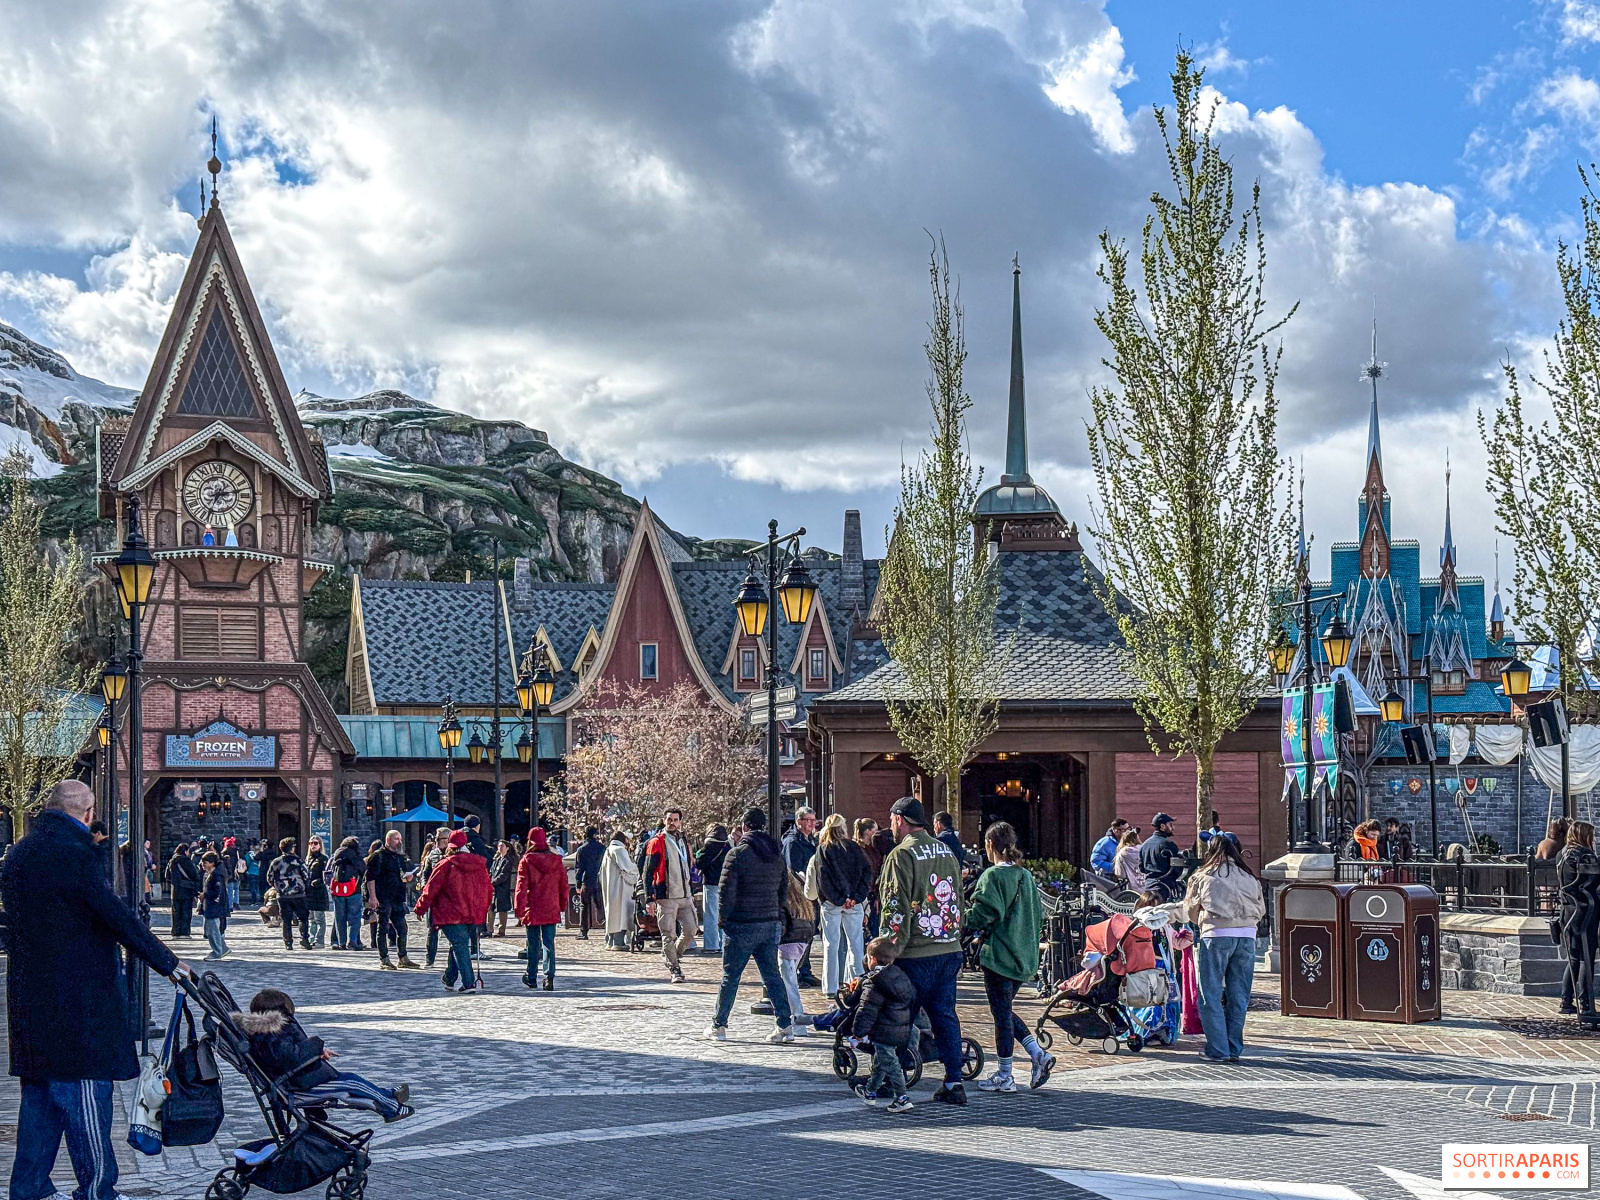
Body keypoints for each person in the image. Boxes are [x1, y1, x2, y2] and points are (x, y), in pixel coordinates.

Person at [2, 780, 189, 1200]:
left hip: (30, 1000)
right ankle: (97, 1190)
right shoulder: (76, 853)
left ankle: (30, 1189)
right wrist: (168, 963)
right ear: (87, 814)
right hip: (79, 1004)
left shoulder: (19, 853)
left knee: (40, 1104)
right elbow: (116, 917)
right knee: (86, 1099)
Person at [878, 796, 967, 1105]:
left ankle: (891, 1080)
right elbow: (958, 896)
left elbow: (895, 906)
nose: (890, 826)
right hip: (948, 946)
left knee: (900, 1017)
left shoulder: (901, 854)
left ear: (899, 820)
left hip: (914, 952)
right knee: (944, 1014)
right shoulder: (946, 851)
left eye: (891, 820)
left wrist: (888, 949)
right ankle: (954, 1080)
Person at [964, 821, 1055, 1091]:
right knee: (1003, 1010)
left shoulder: (993, 876)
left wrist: (957, 917)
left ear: (990, 845)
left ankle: (1006, 1074)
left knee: (1001, 1015)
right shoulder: (1025, 876)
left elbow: (982, 914)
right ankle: (1038, 1055)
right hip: (1024, 955)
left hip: (1000, 955)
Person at [234, 988, 412, 1121]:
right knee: (351, 1082)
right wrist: (315, 1044)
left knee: (350, 1080)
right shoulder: (270, 1035)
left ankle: (387, 1093)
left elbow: (289, 1054)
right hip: (297, 1086)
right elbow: (291, 1056)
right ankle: (391, 1108)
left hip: (300, 1079)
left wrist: (316, 1053)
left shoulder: (270, 1033)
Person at [705, 807, 794, 1042]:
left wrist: (723, 921)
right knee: (772, 976)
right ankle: (785, 1024)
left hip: (741, 924)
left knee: (731, 977)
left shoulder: (737, 855)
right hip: (769, 923)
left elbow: (726, 893)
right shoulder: (776, 854)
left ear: (744, 826)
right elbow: (783, 891)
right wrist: (777, 916)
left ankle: (719, 1025)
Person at [1181, 833, 1267, 1062]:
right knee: (1239, 995)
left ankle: (1218, 1048)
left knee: (1210, 993)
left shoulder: (1203, 876)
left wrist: (1201, 921)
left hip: (1216, 933)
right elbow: (1261, 909)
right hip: (1247, 935)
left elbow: (1190, 910)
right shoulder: (1249, 876)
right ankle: (1233, 1046)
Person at [844, 935, 917, 1113]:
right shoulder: (899, 975)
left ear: (872, 959)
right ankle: (870, 1091)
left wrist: (858, 1034)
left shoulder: (874, 982)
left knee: (891, 1064)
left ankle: (902, 1098)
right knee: (880, 1061)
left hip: (884, 1030)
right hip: (902, 1026)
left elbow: (866, 1011)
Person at [414, 829, 493, 992]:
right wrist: (483, 909)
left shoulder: (445, 864)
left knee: (459, 945)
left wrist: (420, 907)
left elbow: (431, 889)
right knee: (459, 944)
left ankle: (468, 982)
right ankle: (449, 978)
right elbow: (488, 889)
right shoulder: (478, 864)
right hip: (472, 912)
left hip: (450, 913)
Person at [815, 812, 871, 994]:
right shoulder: (855, 848)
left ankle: (830, 988)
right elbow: (866, 872)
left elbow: (823, 878)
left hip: (832, 903)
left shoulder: (823, 849)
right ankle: (857, 985)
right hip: (853, 903)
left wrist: (838, 898)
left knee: (831, 945)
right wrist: (856, 897)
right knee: (856, 945)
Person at [643, 808, 699, 983]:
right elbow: (647, 872)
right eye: (669, 819)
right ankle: (675, 969)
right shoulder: (657, 842)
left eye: (675, 820)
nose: (672, 823)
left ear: (680, 822)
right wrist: (649, 898)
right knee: (668, 933)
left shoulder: (683, 840)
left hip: (685, 895)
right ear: (664, 820)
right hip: (666, 896)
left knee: (691, 930)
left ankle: (673, 954)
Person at [515, 828, 569, 989]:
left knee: (533, 944)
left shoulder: (526, 860)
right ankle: (549, 975)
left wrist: (519, 909)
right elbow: (563, 885)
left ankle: (531, 976)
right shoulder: (556, 860)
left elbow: (521, 887)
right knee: (548, 943)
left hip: (532, 907)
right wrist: (562, 904)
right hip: (551, 905)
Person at [1556, 821, 1599, 1014]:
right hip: (1585, 910)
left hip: (1568, 910)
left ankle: (1566, 1000)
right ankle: (1586, 1003)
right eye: (1592, 835)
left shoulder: (1562, 853)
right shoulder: (1584, 855)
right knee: (1586, 957)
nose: (1594, 839)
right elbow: (1593, 881)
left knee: (1573, 957)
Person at [366, 829, 421, 970]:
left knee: (402, 928)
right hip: (383, 897)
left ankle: (403, 957)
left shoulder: (400, 857)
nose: (399, 842)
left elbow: (406, 875)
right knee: (382, 928)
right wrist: (373, 897)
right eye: (396, 839)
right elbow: (370, 878)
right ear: (388, 840)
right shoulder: (378, 856)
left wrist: (409, 877)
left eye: (400, 839)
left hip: (397, 897)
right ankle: (384, 959)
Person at [782, 806, 821, 987]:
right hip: (799, 896)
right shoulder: (792, 842)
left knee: (809, 933)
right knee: (801, 933)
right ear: (799, 821)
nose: (812, 823)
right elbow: (793, 871)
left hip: (812, 893)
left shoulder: (811, 840)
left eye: (814, 820)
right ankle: (799, 971)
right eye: (808, 820)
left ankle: (805, 970)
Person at [778, 869, 819, 1031]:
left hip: (787, 944)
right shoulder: (801, 900)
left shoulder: (783, 900)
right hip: (801, 942)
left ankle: (797, 1023)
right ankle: (792, 1021)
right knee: (789, 981)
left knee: (789, 985)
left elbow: (782, 925)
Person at [269, 837, 313, 950]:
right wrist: (305, 887)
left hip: (283, 895)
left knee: (286, 919)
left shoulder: (276, 862)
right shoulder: (298, 861)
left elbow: (270, 878)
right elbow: (306, 875)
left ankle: (288, 942)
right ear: (292, 848)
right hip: (298, 894)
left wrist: (278, 887)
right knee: (303, 918)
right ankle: (304, 939)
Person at [418, 827, 452, 967]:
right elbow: (425, 874)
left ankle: (453, 962)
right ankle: (430, 958)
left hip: (450, 899)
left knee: (453, 931)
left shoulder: (455, 854)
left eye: (441, 839)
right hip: (435, 898)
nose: (437, 841)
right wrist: (425, 888)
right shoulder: (432, 854)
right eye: (436, 838)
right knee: (432, 929)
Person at [601, 830, 640, 950]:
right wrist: (637, 868)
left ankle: (610, 941)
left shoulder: (608, 850)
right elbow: (628, 867)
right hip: (621, 887)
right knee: (621, 914)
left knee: (612, 914)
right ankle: (618, 942)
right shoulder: (619, 850)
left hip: (611, 887)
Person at [696, 823, 731, 953]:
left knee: (710, 915)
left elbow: (699, 863)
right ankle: (723, 943)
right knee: (722, 915)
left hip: (710, 883)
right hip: (724, 883)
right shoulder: (727, 846)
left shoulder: (709, 845)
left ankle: (711, 945)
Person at [329, 835, 367, 950]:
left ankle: (341, 942)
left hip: (337, 891)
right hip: (354, 890)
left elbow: (329, 872)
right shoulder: (355, 857)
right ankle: (352, 941)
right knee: (354, 917)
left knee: (339, 917)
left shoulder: (335, 856)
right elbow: (364, 872)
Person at [1138, 813, 1185, 900]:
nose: (1173, 828)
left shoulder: (1144, 845)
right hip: (1165, 889)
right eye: (1170, 825)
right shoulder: (1168, 844)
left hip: (1148, 887)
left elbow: (1142, 868)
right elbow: (1177, 869)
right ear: (1162, 826)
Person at [574, 826, 606, 940]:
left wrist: (578, 883)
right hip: (599, 879)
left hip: (586, 880)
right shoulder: (602, 848)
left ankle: (583, 931)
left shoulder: (582, 849)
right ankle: (607, 926)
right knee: (601, 905)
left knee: (584, 906)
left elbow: (579, 868)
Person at [200, 849, 232, 960]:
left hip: (214, 906)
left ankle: (217, 951)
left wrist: (205, 895)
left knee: (212, 929)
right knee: (212, 929)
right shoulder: (214, 874)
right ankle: (223, 948)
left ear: (212, 863)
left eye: (205, 863)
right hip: (212, 905)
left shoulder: (216, 875)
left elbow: (216, 892)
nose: (203, 865)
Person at [166, 841, 201, 937]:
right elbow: (194, 875)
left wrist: (175, 881)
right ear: (185, 851)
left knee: (176, 912)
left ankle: (176, 931)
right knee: (186, 911)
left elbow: (167, 876)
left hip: (175, 890)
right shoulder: (186, 861)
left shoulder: (172, 861)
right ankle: (184, 931)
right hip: (186, 890)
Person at [304, 835, 331, 948]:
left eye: (315, 843)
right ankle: (311, 939)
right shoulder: (308, 859)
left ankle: (319, 940)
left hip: (319, 892)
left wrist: (319, 881)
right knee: (311, 919)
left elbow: (327, 875)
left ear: (320, 845)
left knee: (319, 918)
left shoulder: (324, 859)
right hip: (309, 892)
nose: (313, 845)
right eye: (311, 843)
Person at [490, 840, 516, 936]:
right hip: (493, 888)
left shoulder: (508, 860)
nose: (500, 848)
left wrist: (493, 882)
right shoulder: (496, 860)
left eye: (502, 846)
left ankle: (501, 930)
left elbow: (504, 874)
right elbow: (492, 872)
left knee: (502, 909)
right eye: (499, 846)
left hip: (503, 887)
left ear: (507, 848)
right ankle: (489, 929)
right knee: (490, 908)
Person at [1112, 828, 1146, 893]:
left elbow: (1120, 874)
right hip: (1146, 886)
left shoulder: (1122, 854)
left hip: (1131, 889)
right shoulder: (1144, 851)